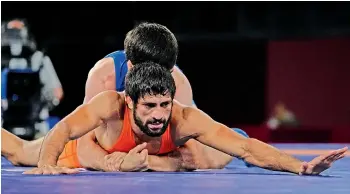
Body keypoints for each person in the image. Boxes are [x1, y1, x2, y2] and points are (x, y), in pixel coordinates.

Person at [3, 62, 346, 175]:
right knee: (19, 153)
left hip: (132, 158)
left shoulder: (184, 119)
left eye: (164, 105)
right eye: (149, 107)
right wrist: (48, 163)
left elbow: (247, 148)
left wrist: (300, 167)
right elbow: (62, 128)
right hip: (85, 151)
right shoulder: (109, 104)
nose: (158, 115)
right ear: (129, 101)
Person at [76, 21, 251, 170]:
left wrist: (143, 162)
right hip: (123, 132)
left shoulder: (179, 84)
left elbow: (190, 157)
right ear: (130, 67)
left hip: (166, 133)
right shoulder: (104, 77)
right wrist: (113, 163)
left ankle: (237, 135)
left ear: (170, 71)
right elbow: (83, 146)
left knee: (207, 159)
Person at [1, 18, 63, 138]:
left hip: (36, 125)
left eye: (18, 32)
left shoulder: (38, 59)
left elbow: (57, 92)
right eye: (11, 32)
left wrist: (41, 102)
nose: (15, 37)